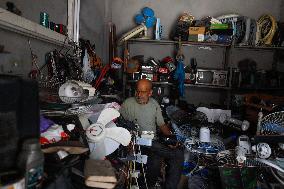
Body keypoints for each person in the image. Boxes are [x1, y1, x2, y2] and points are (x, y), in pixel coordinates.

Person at [120, 79, 184, 189]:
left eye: (143, 92)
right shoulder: (127, 104)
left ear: (150, 93)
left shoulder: (154, 104)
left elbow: (162, 125)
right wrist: (128, 142)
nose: (139, 95)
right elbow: (119, 124)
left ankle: (154, 186)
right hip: (137, 142)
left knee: (156, 161)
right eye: (137, 91)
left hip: (152, 141)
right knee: (177, 155)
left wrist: (170, 139)